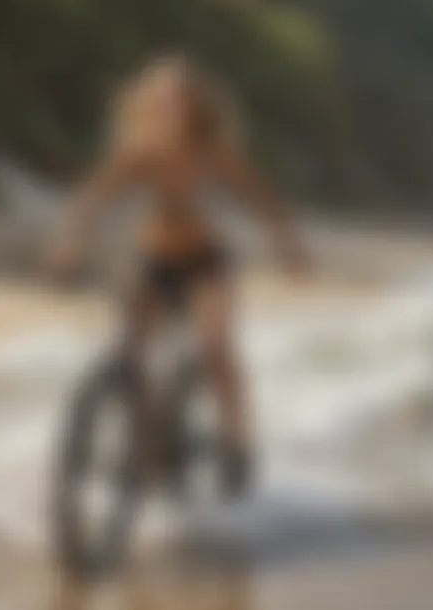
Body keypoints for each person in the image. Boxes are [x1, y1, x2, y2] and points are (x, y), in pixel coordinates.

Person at [46, 55, 310, 496]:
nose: (172, 106)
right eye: (162, 98)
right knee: (131, 349)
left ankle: (236, 441)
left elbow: (263, 201)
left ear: (197, 105)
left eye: (181, 98)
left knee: (214, 343)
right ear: (147, 104)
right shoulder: (137, 155)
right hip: (155, 260)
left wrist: (288, 246)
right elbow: (90, 203)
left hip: (206, 261)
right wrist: (67, 248)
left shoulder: (214, 154)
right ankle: (145, 439)